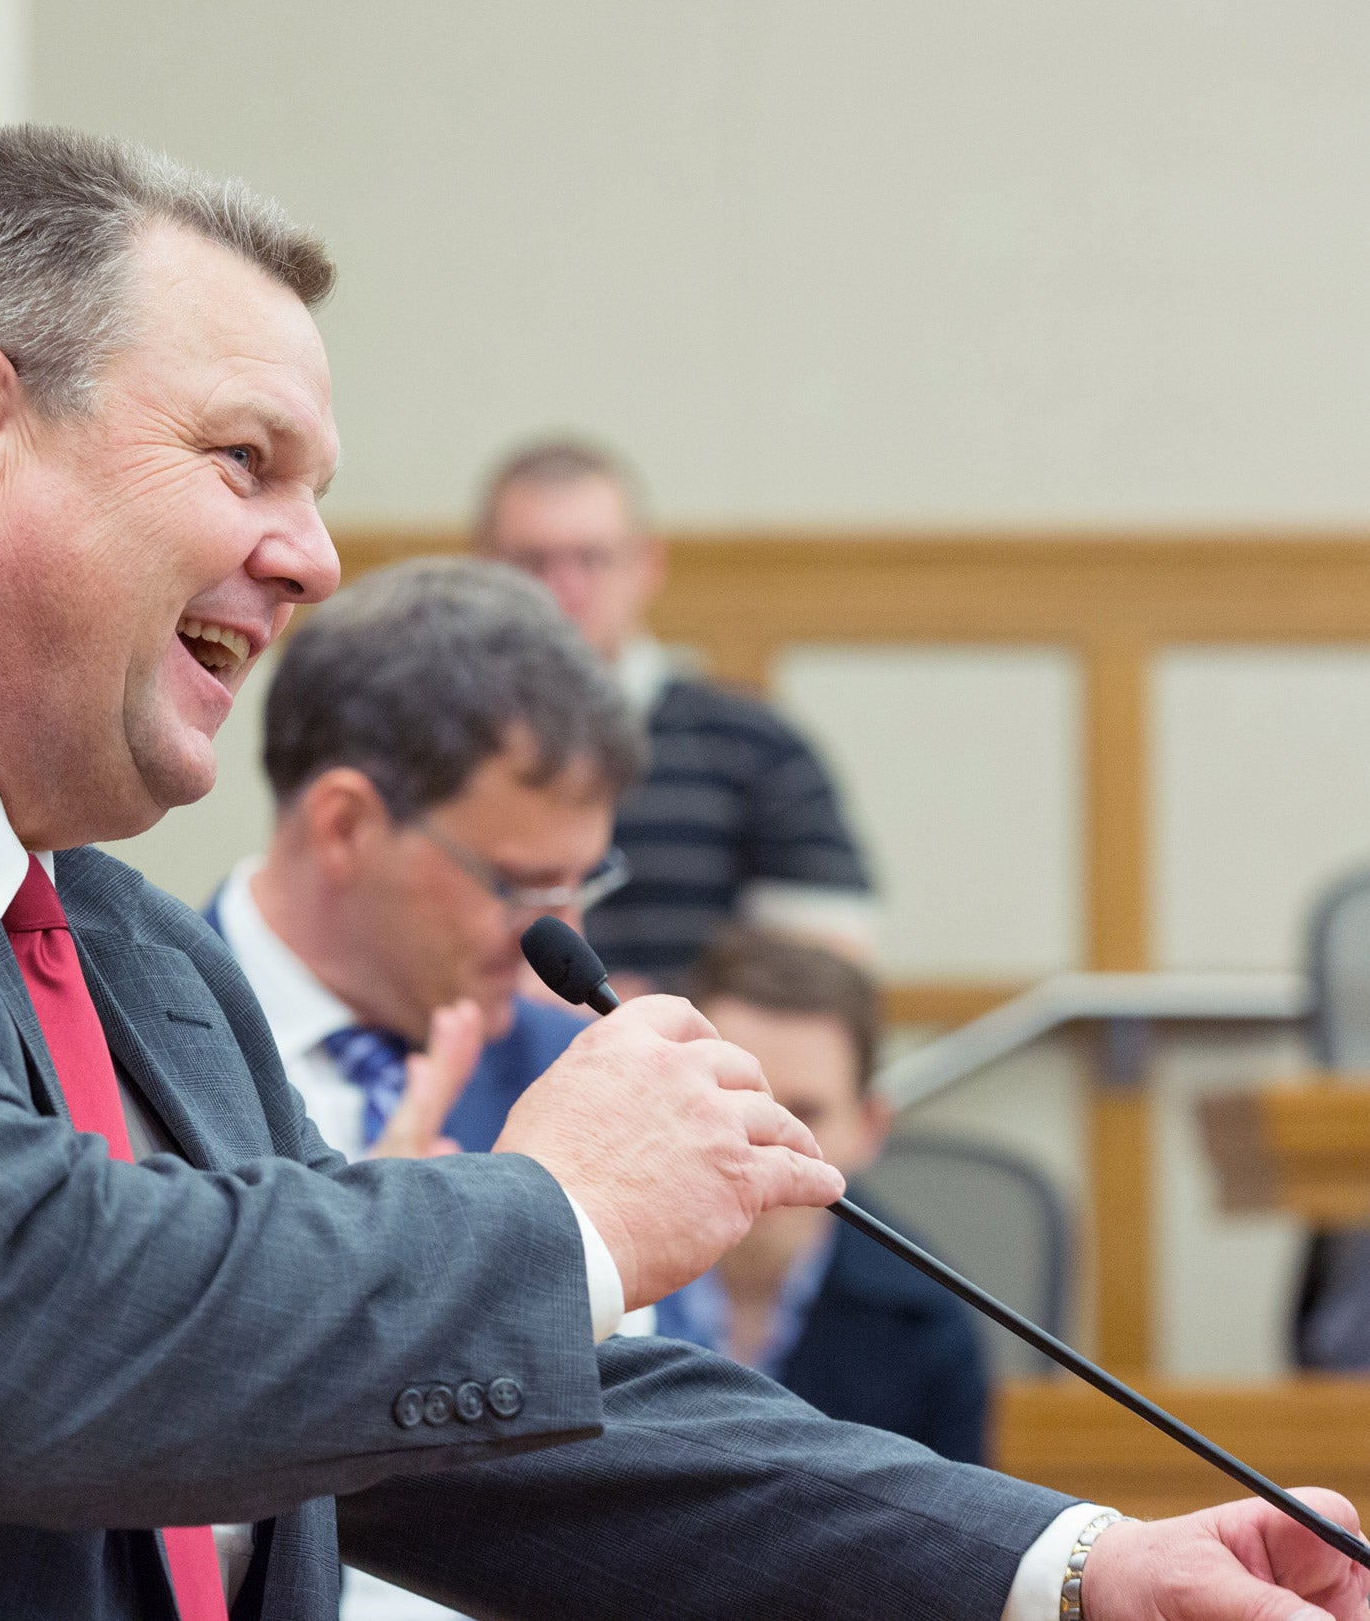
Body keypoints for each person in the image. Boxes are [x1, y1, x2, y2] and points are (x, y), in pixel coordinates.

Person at [0, 127, 1364, 1621]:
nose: (314, 557)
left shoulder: (119, 951)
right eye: (245, 461)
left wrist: (1066, 1567)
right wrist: (565, 1213)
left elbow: (428, 1425)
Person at [202, 557, 628, 1178]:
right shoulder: (110, 1039)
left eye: (582, 883)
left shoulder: (572, 1080)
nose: (566, 936)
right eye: (520, 887)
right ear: (345, 827)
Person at [475, 439, 877, 990]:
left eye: (592, 558)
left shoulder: (757, 745)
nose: (565, 588)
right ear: (484, 570)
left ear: (647, 565)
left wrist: (646, 1015)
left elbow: (828, 970)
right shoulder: (437, 747)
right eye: (533, 562)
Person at [649, 928, 990, 1463]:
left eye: (804, 1113)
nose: (764, 1142)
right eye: (733, 1100)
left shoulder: (926, 1320)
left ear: (869, 1127)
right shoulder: (585, 1275)